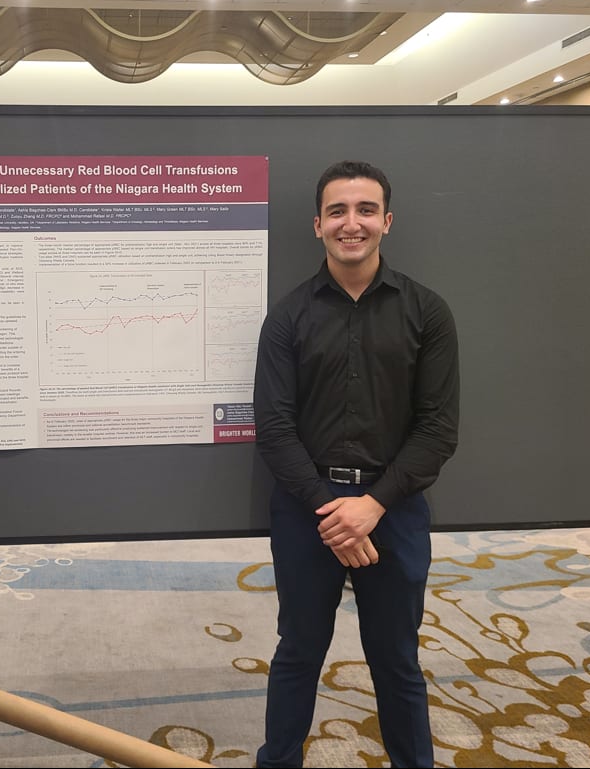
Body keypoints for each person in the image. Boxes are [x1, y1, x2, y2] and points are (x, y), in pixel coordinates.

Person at [252, 160, 460, 768]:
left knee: (396, 657)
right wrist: (332, 513)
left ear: (386, 222)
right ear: (317, 224)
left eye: (365, 210)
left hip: (392, 509)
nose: (352, 223)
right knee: (299, 650)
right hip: (305, 510)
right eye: (338, 211)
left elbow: (438, 428)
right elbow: (274, 428)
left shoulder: (428, 313)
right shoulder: (287, 318)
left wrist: (370, 507)